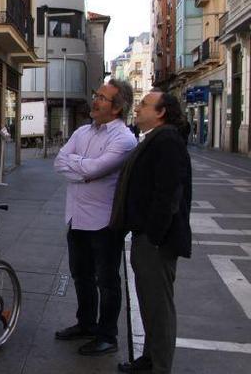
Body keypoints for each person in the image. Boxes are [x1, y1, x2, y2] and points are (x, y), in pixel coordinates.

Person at [53, 79, 138, 356]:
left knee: (107, 281)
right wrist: (83, 170)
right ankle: (86, 324)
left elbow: (96, 170)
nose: (96, 100)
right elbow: (59, 162)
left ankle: (107, 335)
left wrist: (79, 168)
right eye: (96, 95)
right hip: (76, 217)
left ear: (117, 108)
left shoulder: (123, 138)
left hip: (104, 222)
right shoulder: (82, 131)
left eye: (102, 97)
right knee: (81, 275)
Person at [110, 91, 192, 374]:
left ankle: (159, 366)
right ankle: (149, 358)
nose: (138, 108)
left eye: (144, 104)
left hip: (157, 241)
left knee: (159, 306)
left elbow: (167, 194)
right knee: (149, 302)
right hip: (148, 236)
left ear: (160, 112)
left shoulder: (167, 140)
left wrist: (153, 236)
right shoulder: (158, 138)